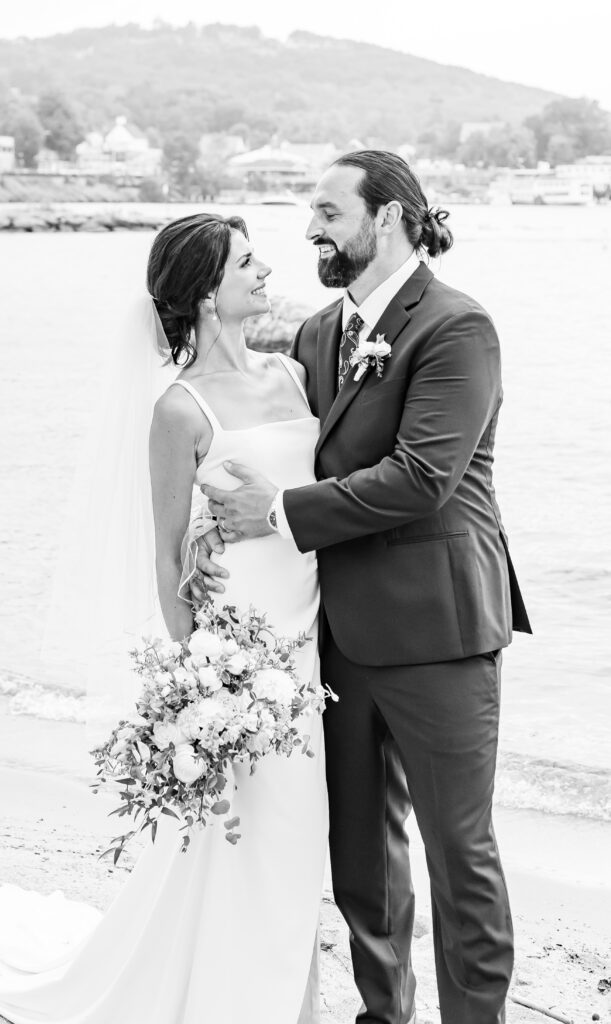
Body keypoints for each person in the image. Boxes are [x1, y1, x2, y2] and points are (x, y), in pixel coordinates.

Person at [0, 214, 328, 1023]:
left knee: (295, 830)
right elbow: (162, 555)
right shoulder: (179, 411)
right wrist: (195, 680)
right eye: (247, 263)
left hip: (307, 632)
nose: (264, 271)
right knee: (246, 826)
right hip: (238, 654)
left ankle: (285, 994)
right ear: (207, 293)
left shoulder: (293, 376)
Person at [194, 151, 532, 1024]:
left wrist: (275, 514)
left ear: (385, 219)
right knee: (361, 858)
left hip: (441, 631)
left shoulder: (458, 327)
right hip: (334, 635)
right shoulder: (320, 333)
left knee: (461, 853)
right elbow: (262, 422)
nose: (309, 228)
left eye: (326, 211)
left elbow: (422, 477)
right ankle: (385, 1015)